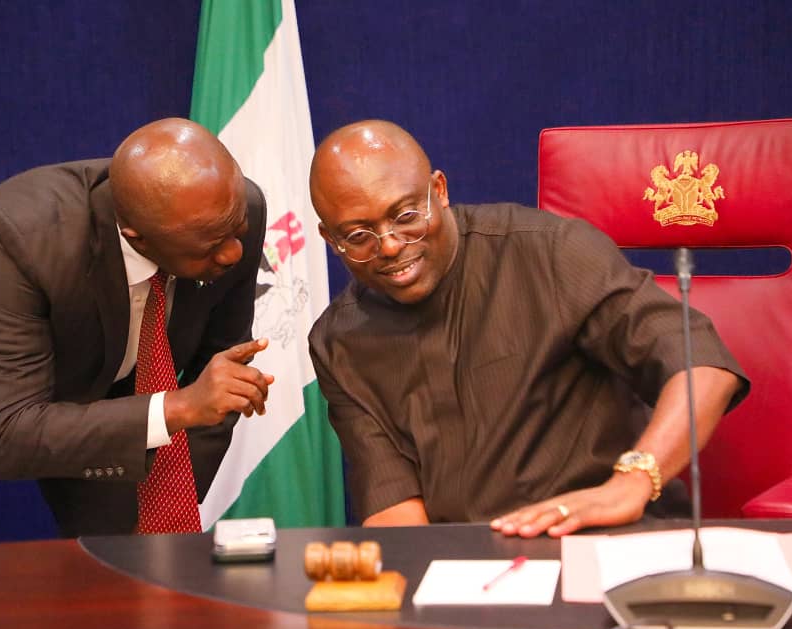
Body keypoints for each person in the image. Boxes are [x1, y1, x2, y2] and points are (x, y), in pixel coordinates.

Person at [307, 120, 748, 538]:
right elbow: (394, 508)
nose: (389, 245)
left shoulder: (551, 253)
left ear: (438, 191)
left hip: (603, 543)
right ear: (331, 239)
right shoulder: (337, 342)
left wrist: (630, 484)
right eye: (359, 235)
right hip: (470, 574)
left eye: (405, 215)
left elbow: (703, 365)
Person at [0, 118, 273, 548]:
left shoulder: (235, 211)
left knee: (133, 555)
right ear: (136, 237)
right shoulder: (22, 235)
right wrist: (177, 407)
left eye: (235, 231)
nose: (233, 253)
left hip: (105, 370)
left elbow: (221, 376)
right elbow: (11, 430)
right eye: (210, 244)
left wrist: (162, 505)